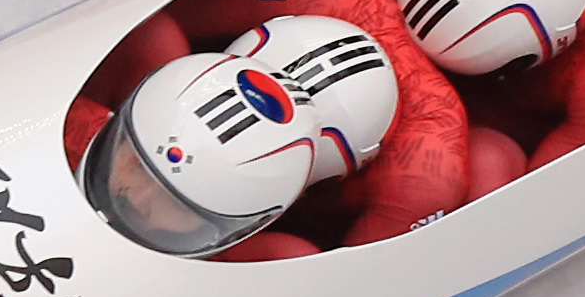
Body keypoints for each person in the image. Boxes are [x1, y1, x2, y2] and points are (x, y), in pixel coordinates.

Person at [76, 15, 397, 256]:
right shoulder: (72, 127)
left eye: (177, 205)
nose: (136, 199)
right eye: (137, 164)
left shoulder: (275, 256)